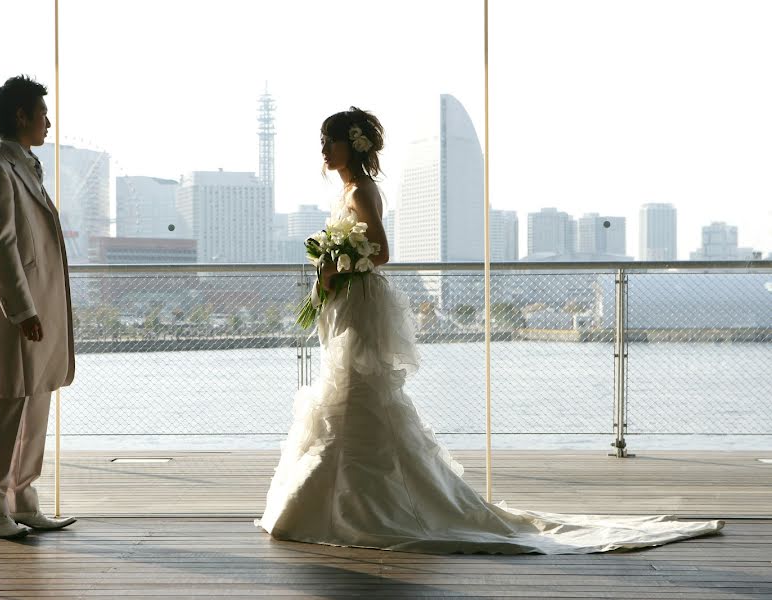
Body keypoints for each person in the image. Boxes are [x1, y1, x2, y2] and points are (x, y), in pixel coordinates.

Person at [256, 107, 723, 554]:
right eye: (323, 141)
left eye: (330, 140)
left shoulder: (361, 191)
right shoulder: (351, 190)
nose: (324, 149)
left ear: (350, 144)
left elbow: (380, 251)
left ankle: (362, 504)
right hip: (351, 303)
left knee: (358, 389)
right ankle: (350, 499)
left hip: (360, 300)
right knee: (349, 387)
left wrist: (340, 267)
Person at [0, 75, 76, 539]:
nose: (48, 122)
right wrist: (22, 310)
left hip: (41, 309)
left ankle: (23, 499)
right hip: (20, 313)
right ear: (21, 116)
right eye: (42, 113)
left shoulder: (26, 168)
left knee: (36, 404)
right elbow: (0, 248)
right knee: (8, 406)